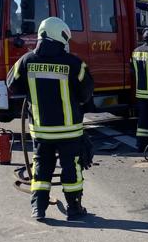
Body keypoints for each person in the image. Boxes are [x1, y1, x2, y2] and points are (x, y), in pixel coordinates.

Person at [7, 17, 94, 221]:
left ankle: (39, 208)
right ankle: (74, 209)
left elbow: (12, 84)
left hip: (41, 129)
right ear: (61, 36)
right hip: (69, 130)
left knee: (41, 168)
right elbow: (86, 93)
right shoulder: (74, 63)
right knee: (71, 168)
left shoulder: (26, 61)